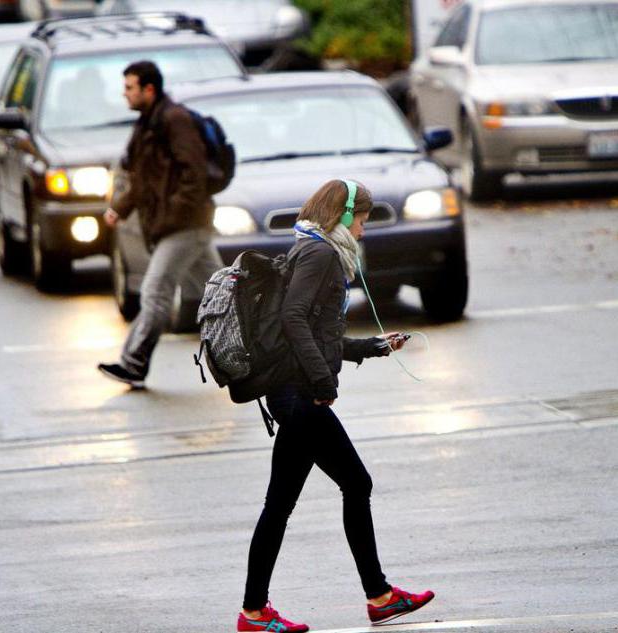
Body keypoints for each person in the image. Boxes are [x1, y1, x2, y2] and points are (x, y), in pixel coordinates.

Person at [237, 180, 435, 632]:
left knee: (280, 504)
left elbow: (317, 332)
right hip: (299, 394)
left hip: (292, 391)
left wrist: (373, 347)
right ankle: (379, 596)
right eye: (361, 219)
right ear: (343, 215)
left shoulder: (311, 248)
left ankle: (254, 612)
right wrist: (322, 380)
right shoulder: (322, 254)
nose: (363, 230)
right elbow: (292, 318)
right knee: (356, 483)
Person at [98, 61, 222, 388]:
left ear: (148, 90)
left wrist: (174, 216)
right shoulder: (147, 124)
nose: (124, 94)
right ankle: (259, 350)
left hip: (183, 226)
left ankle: (133, 363)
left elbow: (194, 175)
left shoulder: (174, 121)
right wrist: (120, 208)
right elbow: (142, 180)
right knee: (224, 294)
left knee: (154, 293)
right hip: (179, 225)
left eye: (129, 87)